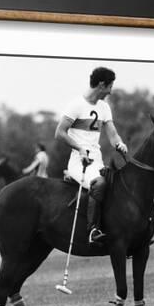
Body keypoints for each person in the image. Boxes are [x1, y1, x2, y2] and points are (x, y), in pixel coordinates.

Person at [55, 67, 128, 244]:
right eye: (110, 86)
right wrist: (79, 148)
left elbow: (112, 134)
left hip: (96, 162)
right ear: (102, 85)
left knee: (119, 184)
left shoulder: (104, 107)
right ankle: (92, 231)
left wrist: (119, 143)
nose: (111, 91)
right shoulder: (76, 105)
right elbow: (59, 133)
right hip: (79, 162)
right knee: (100, 183)